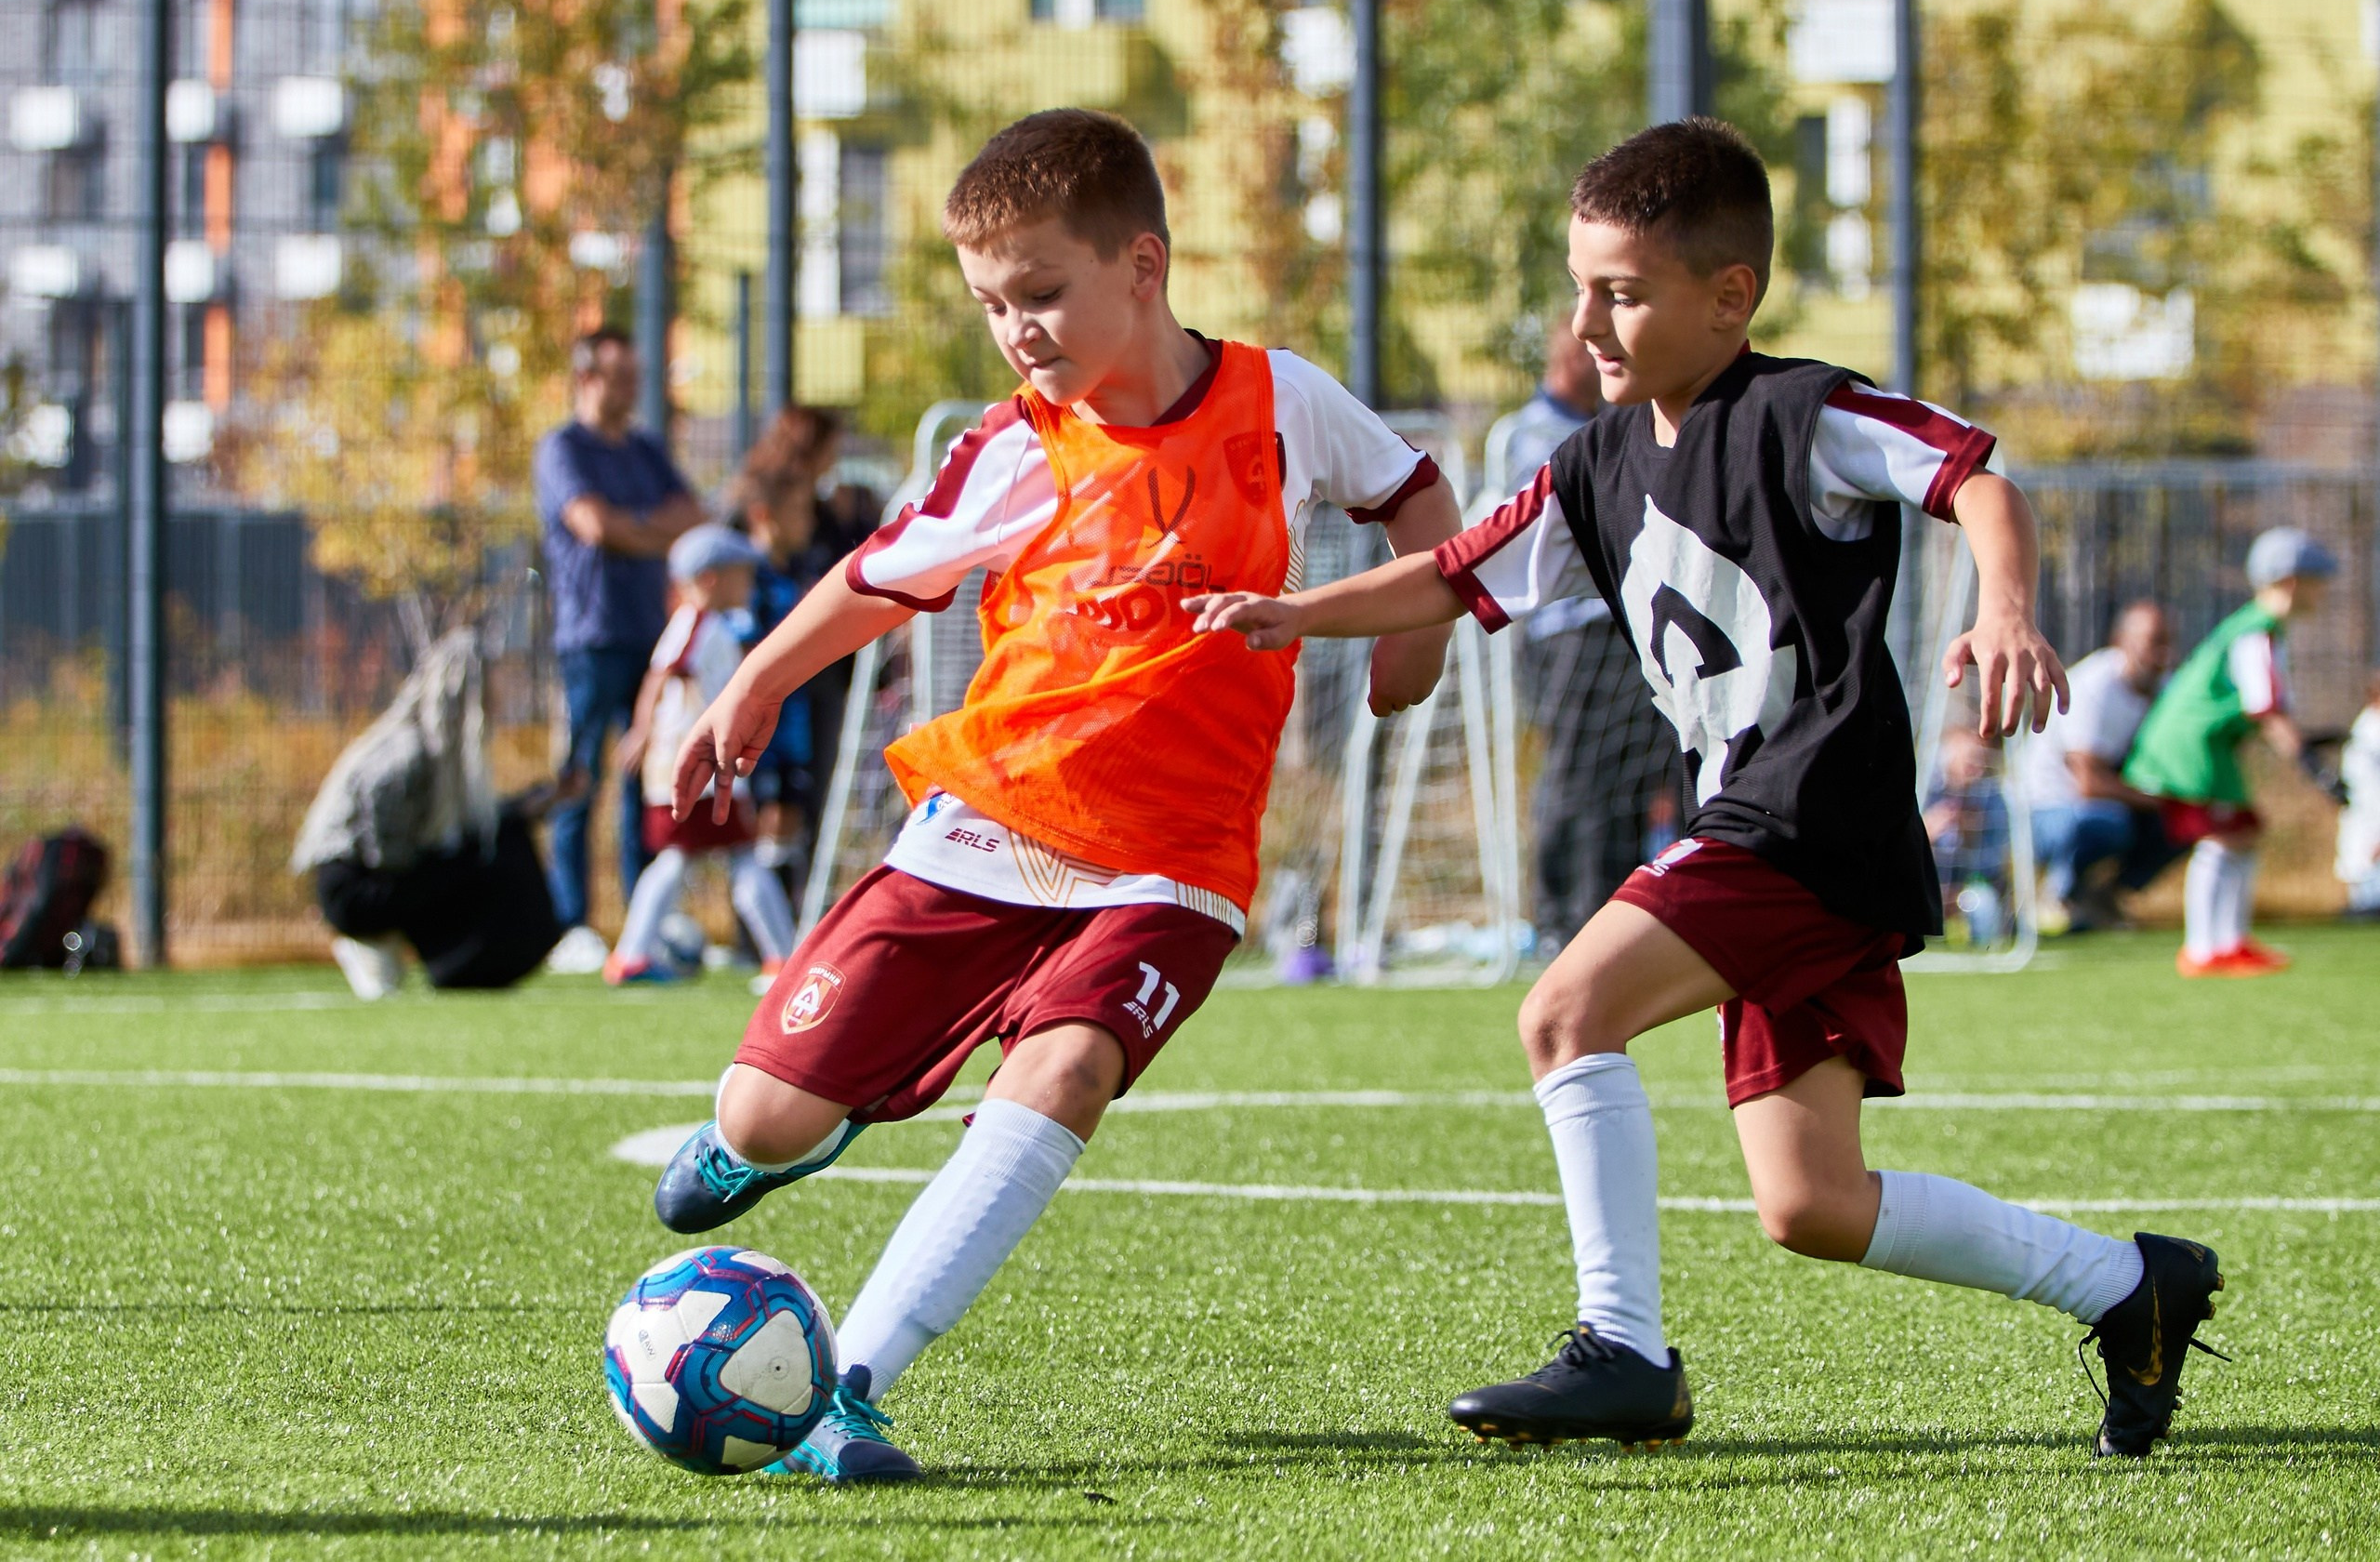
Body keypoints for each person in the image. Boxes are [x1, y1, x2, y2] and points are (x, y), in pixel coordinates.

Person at [1191, 119, 2225, 1461]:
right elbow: (1456, 571)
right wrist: (1293, 611)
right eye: (1580, 288)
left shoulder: (1806, 415)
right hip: (1769, 840)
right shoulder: (1593, 463)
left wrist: (2007, 609)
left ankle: (1624, 1348)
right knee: (1814, 1203)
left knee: (1566, 1010)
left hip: (1801, 822)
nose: (1589, 323)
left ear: (1730, 295)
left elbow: (1978, 477)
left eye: (1622, 291)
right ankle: (2130, 1287)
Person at [650, 108, 1461, 1482]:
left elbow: (1424, 500)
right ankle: (781, 1130)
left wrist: (1407, 640)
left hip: (1176, 860)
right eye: (991, 304)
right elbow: (879, 575)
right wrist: (760, 683)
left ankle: (847, 1387)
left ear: (1142, 265)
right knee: (761, 1114)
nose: (1017, 328)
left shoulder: (1283, 401)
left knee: (1068, 1067)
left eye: (1041, 293)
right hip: (987, 826)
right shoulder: (1016, 443)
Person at [535, 325, 707, 968]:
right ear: (587, 378)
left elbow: (693, 514)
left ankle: (642, 922)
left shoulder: (644, 449)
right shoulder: (562, 448)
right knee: (581, 778)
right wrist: (642, 528)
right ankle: (570, 924)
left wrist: (633, 527)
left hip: (648, 637)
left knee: (646, 781)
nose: (632, 389)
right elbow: (592, 525)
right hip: (589, 639)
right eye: (620, 376)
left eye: (637, 377)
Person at [1503, 316, 1677, 947]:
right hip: (1572, 634)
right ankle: (1563, 918)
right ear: (1572, 358)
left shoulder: (1615, 429)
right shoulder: (1532, 436)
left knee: (1632, 777)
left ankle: (1619, 914)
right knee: (1577, 773)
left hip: (1629, 630)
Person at [293, 629, 563, 998]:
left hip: (388, 876)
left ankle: (458, 958)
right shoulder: (409, 752)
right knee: (491, 850)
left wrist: (526, 807)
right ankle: (381, 942)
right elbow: (385, 849)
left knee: (503, 837)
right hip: (358, 888)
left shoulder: (438, 753)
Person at [2123, 527, 2342, 977]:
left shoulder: (2263, 628)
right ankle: (2204, 949)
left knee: (2240, 835)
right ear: (2292, 580)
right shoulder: (2256, 630)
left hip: (2210, 747)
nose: (2324, 592)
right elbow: (2266, 707)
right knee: (2221, 838)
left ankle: (2230, 942)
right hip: (2193, 748)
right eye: (2318, 580)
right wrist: (2316, 771)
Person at [605, 525, 799, 986]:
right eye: (741, 574)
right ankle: (783, 959)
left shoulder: (713, 626)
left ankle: (633, 954)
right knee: (729, 858)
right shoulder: (695, 624)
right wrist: (641, 731)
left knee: (695, 859)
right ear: (710, 579)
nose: (749, 583)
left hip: (702, 767)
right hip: (701, 771)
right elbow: (659, 678)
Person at [730, 405, 847, 905]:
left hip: (813, 689)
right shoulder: (748, 558)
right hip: (770, 704)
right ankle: (758, 927)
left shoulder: (819, 529)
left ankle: (792, 916)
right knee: (764, 808)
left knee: (802, 802)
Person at [2023, 601, 2175, 932]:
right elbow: (2089, 785)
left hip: (2110, 804)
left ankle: (2105, 896)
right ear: (2122, 640)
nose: (2163, 653)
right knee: (2108, 821)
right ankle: (2057, 896)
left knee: (2186, 821)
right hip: (2048, 808)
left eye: (2168, 641)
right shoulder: (2094, 686)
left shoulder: (2165, 688)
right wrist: (2158, 800)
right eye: (2154, 641)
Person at [1924, 729, 2010, 946]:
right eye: (1970, 759)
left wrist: (1969, 838)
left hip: (1969, 890)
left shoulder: (1992, 799)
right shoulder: (1925, 792)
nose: (1977, 768)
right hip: (1927, 889)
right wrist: (1926, 833)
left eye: (1981, 759)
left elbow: (1994, 865)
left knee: (1983, 905)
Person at [2337, 671, 2380, 917]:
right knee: (2365, 851)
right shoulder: (2370, 729)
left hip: (2367, 803)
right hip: (2368, 802)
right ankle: (2365, 903)